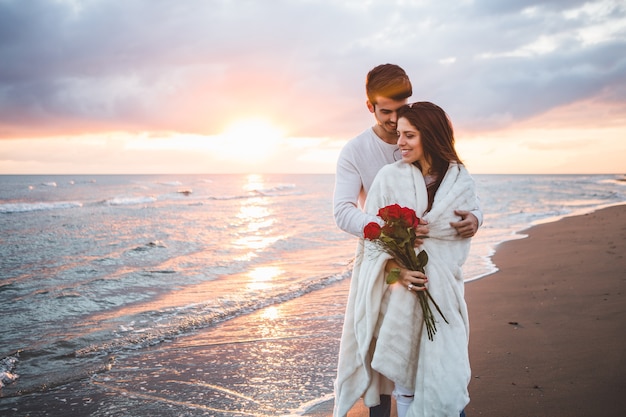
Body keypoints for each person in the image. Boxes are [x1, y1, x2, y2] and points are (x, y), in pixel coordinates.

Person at [332, 64, 480, 417]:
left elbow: (458, 202)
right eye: (388, 113)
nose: (397, 122)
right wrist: (394, 229)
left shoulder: (436, 155)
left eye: (404, 114)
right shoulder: (357, 152)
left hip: (431, 272)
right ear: (370, 107)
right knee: (382, 364)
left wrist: (476, 219)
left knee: (432, 361)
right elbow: (342, 211)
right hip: (387, 261)